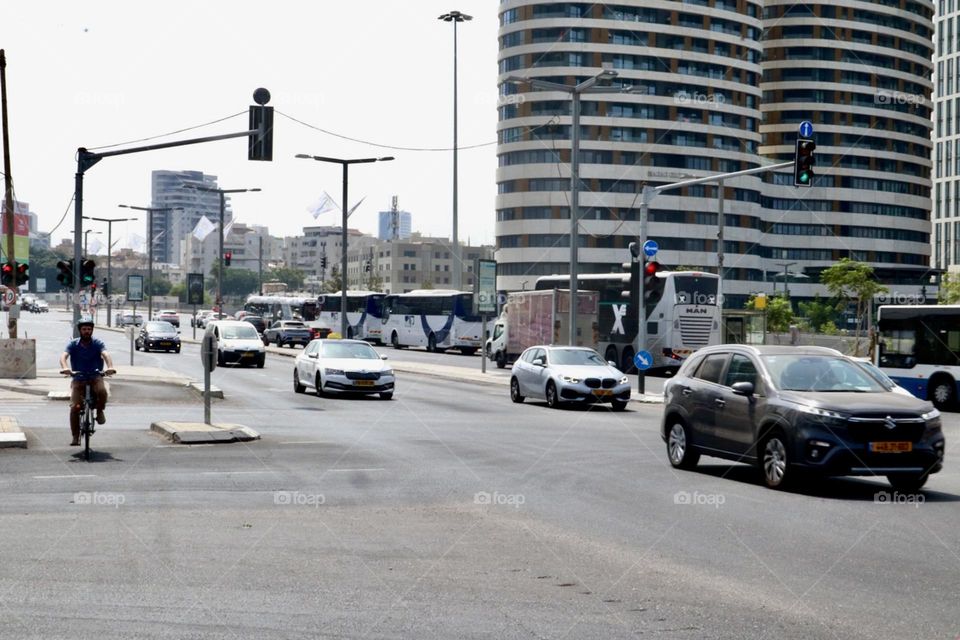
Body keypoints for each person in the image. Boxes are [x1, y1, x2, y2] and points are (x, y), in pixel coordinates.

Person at [59, 318, 116, 446]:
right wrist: (65, 368)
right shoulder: (73, 344)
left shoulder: (97, 343)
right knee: (75, 407)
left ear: (92, 330)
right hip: (78, 378)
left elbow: (105, 354)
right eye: (84, 329)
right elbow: (64, 356)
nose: (87, 331)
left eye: (89, 329)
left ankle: (100, 410)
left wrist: (110, 367)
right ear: (80, 330)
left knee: (102, 391)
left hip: (95, 376)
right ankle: (75, 436)